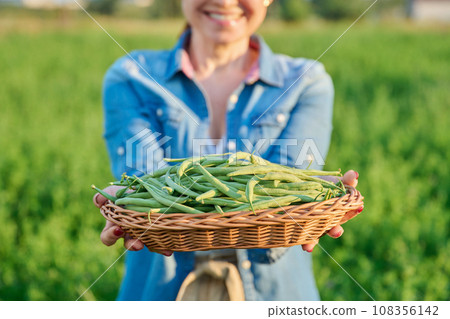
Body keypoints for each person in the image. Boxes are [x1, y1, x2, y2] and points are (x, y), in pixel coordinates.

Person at [93, 0, 362, 301]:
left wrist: (312, 204)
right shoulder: (132, 77)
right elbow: (147, 185)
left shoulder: (307, 82)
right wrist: (132, 208)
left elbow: (285, 192)